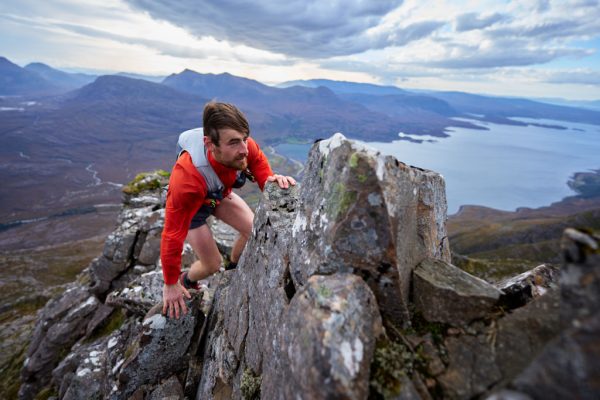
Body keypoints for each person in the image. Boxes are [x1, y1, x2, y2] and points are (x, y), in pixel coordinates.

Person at [160, 102, 296, 319]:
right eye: (234, 142)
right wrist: (170, 283)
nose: (244, 148)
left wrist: (274, 183)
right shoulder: (186, 179)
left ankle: (233, 268)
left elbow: (260, 166)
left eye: (245, 138)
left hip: (218, 194)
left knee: (253, 230)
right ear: (209, 143)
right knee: (212, 265)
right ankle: (189, 279)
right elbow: (172, 234)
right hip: (195, 206)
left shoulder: (244, 146)